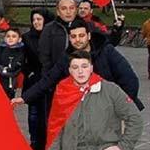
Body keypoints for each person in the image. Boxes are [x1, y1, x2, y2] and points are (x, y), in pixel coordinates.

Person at [45, 50, 143, 150]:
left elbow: (135, 118)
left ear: (91, 67)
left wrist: (122, 146)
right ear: (69, 70)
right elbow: (56, 127)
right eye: (75, 67)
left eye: (84, 66)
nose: (80, 71)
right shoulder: (62, 90)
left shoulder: (110, 89)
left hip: (103, 148)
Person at [12, 19, 145, 111]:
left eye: (81, 35)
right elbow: (48, 80)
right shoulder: (66, 58)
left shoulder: (106, 51)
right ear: (70, 38)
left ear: (88, 36)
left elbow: (129, 80)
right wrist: (24, 98)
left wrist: (122, 106)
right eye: (74, 36)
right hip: (84, 109)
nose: (78, 39)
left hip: (112, 106)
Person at [21, 8, 55, 150]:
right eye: (34, 20)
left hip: (51, 80)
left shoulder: (54, 36)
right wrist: (29, 72)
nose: (36, 22)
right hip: (35, 80)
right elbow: (23, 59)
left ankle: (49, 143)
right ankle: (35, 143)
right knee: (33, 114)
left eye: (39, 19)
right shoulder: (27, 37)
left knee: (48, 114)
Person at [39, 0, 78, 74]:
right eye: (64, 8)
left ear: (76, 10)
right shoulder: (49, 29)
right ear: (58, 12)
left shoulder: (86, 27)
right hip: (56, 74)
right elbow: (44, 55)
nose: (68, 11)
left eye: (71, 8)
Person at [0, 28, 25, 98]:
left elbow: (12, 71)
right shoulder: (0, 49)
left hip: (9, 89)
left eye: (14, 36)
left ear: (19, 39)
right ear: (4, 38)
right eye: (8, 36)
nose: (10, 38)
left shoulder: (20, 53)